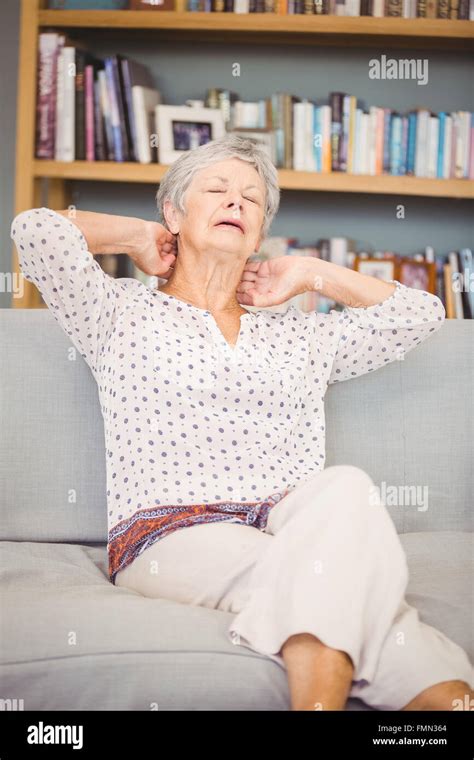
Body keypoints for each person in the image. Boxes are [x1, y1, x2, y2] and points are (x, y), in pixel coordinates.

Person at [11, 134, 473, 711]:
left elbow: (419, 314)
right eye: (217, 190)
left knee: (347, 491)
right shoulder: (120, 313)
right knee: (357, 596)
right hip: (170, 533)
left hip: (290, 528)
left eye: (252, 200)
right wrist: (140, 236)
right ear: (175, 212)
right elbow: (35, 231)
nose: (236, 203)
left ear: (260, 233)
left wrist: (309, 274)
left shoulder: (300, 334)